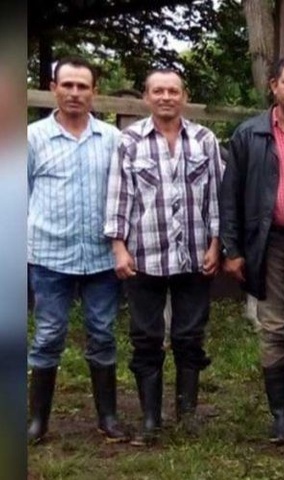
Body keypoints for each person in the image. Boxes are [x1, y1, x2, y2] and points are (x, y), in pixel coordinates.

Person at [104, 69, 224, 446]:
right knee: (146, 337)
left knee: (190, 336)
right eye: (159, 91)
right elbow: (119, 196)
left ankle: (187, 416)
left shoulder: (205, 140)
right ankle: (150, 420)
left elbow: (218, 197)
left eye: (173, 91)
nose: (166, 97)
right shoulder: (129, 141)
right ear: (146, 96)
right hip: (144, 255)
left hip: (194, 254)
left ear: (184, 97)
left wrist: (217, 244)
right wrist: (118, 246)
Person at [219, 54, 284, 445]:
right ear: (273, 86)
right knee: (276, 328)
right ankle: (281, 416)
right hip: (272, 241)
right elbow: (231, 196)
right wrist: (232, 248)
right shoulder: (249, 134)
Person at [27, 56, 127, 444]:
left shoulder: (112, 139)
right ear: (54, 88)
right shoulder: (32, 138)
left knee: (102, 333)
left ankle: (108, 417)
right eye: (67, 85)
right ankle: (38, 421)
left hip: (102, 256)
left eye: (82, 86)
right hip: (50, 255)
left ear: (94, 92)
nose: (74, 93)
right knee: (48, 334)